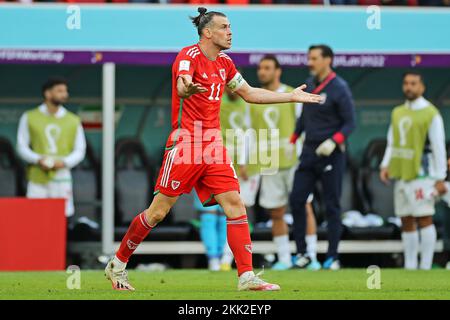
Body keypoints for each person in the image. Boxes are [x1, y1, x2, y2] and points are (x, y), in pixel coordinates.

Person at [104, 7, 322, 291]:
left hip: (213, 147)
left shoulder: (225, 63)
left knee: (235, 204)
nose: (230, 32)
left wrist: (290, 97)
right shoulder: (188, 56)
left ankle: (246, 275)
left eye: (230, 27)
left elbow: (249, 93)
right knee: (157, 213)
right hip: (186, 145)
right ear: (207, 32)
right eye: (224, 27)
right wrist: (186, 88)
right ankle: (117, 264)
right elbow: (182, 84)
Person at [247, 55, 319, 270]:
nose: (262, 72)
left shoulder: (292, 94)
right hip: (267, 161)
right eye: (260, 68)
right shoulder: (254, 98)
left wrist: (307, 153)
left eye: (267, 68)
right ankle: (285, 258)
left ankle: (310, 256)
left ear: (278, 71)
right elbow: (250, 132)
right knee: (275, 211)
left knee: (304, 206)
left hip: (294, 160)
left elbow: (305, 125)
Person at [290, 44, 356, 270]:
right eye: (309, 58)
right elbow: (303, 118)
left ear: (328, 60)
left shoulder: (340, 87)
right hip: (309, 152)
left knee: (332, 205)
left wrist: (334, 141)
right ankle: (302, 253)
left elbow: (350, 123)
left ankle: (332, 256)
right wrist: (294, 138)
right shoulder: (310, 83)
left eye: (314, 58)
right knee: (297, 199)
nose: (310, 62)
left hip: (331, 154)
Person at [380, 71, 447, 270]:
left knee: (424, 217)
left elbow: (438, 146)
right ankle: (410, 266)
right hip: (401, 173)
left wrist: (440, 176)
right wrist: (386, 164)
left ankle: (425, 266)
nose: (409, 87)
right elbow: (392, 142)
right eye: (406, 83)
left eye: (413, 83)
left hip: (423, 174)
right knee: (406, 218)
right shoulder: (397, 112)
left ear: (422, 87)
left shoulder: (431, 113)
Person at [17, 77, 86, 222]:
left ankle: (60, 246)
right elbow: (21, 146)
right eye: (60, 91)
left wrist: (64, 162)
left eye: (65, 91)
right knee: (34, 218)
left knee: (60, 220)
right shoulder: (30, 117)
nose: (64, 94)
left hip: (62, 177)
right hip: (37, 177)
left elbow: (80, 150)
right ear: (48, 94)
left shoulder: (73, 120)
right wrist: (37, 159)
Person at [193, 190, 227, 271]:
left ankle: (224, 258)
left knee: (225, 215)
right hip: (205, 180)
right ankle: (213, 258)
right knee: (208, 214)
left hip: (227, 180)